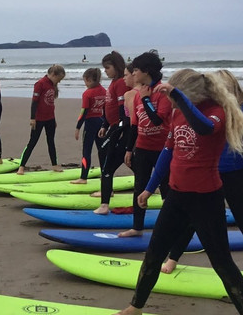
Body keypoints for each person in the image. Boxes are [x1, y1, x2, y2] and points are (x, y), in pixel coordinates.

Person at [109, 69, 243, 315]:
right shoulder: (177, 113)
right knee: (154, 255)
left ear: (190, 94)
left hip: (206, 199)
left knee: (222, 263)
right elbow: (169, 152)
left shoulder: (217, 112)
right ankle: (136, 306)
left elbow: (204, 127)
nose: (170, 102)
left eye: (174, 96)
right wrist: (149, 187)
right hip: (177, 198)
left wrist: (177, 97)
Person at [161, 70, 243, 282]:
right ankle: (173, 258)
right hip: (210, 173)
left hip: (237, 174)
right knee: (192, 219)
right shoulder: (210, 111)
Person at [118, 51, 173, 237]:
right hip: (142, 147)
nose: (133, 74)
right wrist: (128, 148)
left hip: (162, 150)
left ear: (146, 71)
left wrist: (146, 99)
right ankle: (137, 227)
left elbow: (157, 120)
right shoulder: (138, 94)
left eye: (136, 70)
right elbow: (135, 123)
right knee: (139, 186)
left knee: (167, 189)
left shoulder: (162, 93)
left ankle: (169, 228)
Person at [93, 50, 132, 214]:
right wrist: (105, 125)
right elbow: (108, 107)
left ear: (116, 67)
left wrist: (120, 129)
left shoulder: (122, 83)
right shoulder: (114, 83)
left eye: (107, 67)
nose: (105, 71)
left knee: (110, 161)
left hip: (120, 128)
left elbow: (124, 109)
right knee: (118, 159)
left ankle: (105, 199)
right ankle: (107, 190)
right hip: (113, 127)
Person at [17, 64, 66, 174]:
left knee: (51, 142)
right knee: (32, 142)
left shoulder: (52, 85)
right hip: (38, 119)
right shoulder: (40, 84)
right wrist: (32, 118)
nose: (59, 82)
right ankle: (21, 166)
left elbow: (50, 104)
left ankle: (54, 165)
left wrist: (54, 119)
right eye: (59, 79)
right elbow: (34, 102)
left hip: (50, 119)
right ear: (53, 75)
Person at [73, 67, 107, 183]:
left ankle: (83, 177)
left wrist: (78, 127)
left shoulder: (87, 93)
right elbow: (106, 109)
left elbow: (84, 112)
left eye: (85, 82)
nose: (85, 85)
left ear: (88, 79)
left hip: (90, 123)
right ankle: (104, 175)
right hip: (102, 122)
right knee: (102, 150)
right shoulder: (104, 91)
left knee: (86, 150)